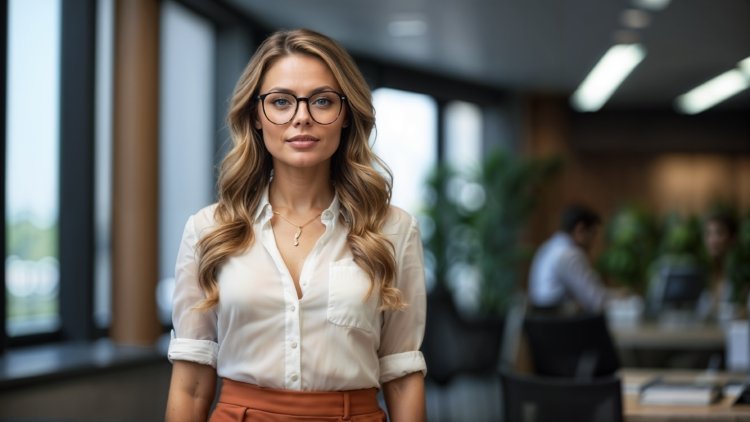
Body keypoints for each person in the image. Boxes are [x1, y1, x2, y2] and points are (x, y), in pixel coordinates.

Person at [165, 28, 427, 422]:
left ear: (345, 115)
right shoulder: (208, 230)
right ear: (256, 115)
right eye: (281, 102)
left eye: (322, 101)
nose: (301, 117)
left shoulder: (393, 230)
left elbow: (403, 377)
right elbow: (191, 386)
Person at [528, 204, 611, 314]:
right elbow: (596, 301)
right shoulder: (570, 254)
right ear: (580, 229)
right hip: (563, 324)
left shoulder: (549, 247)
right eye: (593, 233)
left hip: (543, 323)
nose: (594, 241)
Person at [697, 210, 740, 321]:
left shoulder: (741, 275)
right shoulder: (707, 274)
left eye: (719, 233)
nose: (712, 240)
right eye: (708, 234)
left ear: (733, 238)